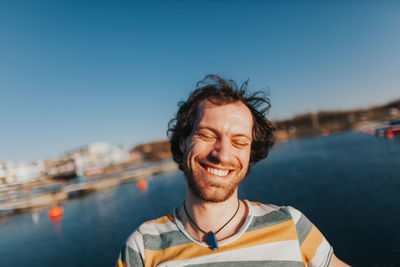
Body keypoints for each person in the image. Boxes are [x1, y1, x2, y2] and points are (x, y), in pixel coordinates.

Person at [116, 75, 350, 267]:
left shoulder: (291, 224)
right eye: (207, 135)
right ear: (182, 142)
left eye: (239, 142)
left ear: (250, 155)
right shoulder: (144, 247)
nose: (223, 154)